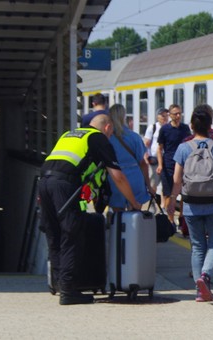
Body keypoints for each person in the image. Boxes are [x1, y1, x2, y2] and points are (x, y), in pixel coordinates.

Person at [38, 114, 143, 305]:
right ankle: (68, 291)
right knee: (71, 234)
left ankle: (60, 284)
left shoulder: (70, 135)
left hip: (44, 182)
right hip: (64, 185)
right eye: (111, 133)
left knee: (54, 233)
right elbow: (117, 175)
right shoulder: (99, 138)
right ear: (108, 128)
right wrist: (134, 203)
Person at [170, 104, 213, 302]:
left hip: (190, 205)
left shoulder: (183, 148)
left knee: (197, 246)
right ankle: (206, 276)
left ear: (192, 126)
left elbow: (177, 180)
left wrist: (172, 202)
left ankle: (200, 289)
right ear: (210, 125)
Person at [107, 104, 154, 212]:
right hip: (135, 179)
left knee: (117, 218)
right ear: (124, 116)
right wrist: (148, 184)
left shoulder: (107, 138)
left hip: (115, 179)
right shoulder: (134, 137)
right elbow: (143, 163)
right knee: (135, 215)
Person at [157, 104, 191, 221]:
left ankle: (182, 217)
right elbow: (159, 148)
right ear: (170, 115)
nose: (178, 116)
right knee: (168, 193)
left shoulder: (185, 128)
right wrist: (160, 165)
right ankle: (170, 220)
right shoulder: (165, 129)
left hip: (183, 165)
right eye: (175, 114)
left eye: (179, 113)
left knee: (184, 194)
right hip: (168, 165)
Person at [143, 108, 169, 200]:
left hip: (166, 160)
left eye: (166, 115)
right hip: (154, 160)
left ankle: (163, 205)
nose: (165, 117)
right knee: (153, 183)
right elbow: (146, 143)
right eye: (162, 115)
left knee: (165, 185)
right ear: (157, 117)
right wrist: (146, 157)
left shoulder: (169, 128)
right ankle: (152, 203)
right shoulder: (153, 127)